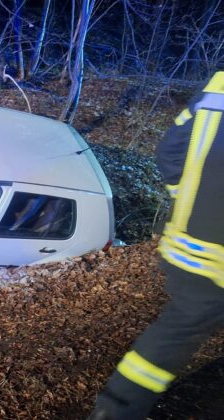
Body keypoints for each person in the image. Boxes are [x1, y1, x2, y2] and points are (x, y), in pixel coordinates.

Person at [89, 71, 224, 419]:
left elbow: (169, 151)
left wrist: (187, 205)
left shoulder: (218, 85)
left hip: (186, 248)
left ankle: (112, 411)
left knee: (171, 336)